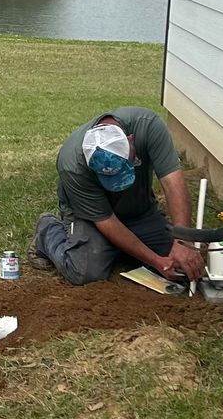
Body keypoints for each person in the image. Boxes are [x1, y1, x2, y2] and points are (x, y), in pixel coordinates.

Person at [33, 107, 206, 287]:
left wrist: (182, 241)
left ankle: (117, 249)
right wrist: (158, 262)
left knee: (180, 263)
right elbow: (106, 220)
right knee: (84, 272)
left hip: (138, 211)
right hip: (91, 219)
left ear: (131, 140)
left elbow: (173, 184)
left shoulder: (148, 126)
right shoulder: (72, 164)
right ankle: (47, 230)